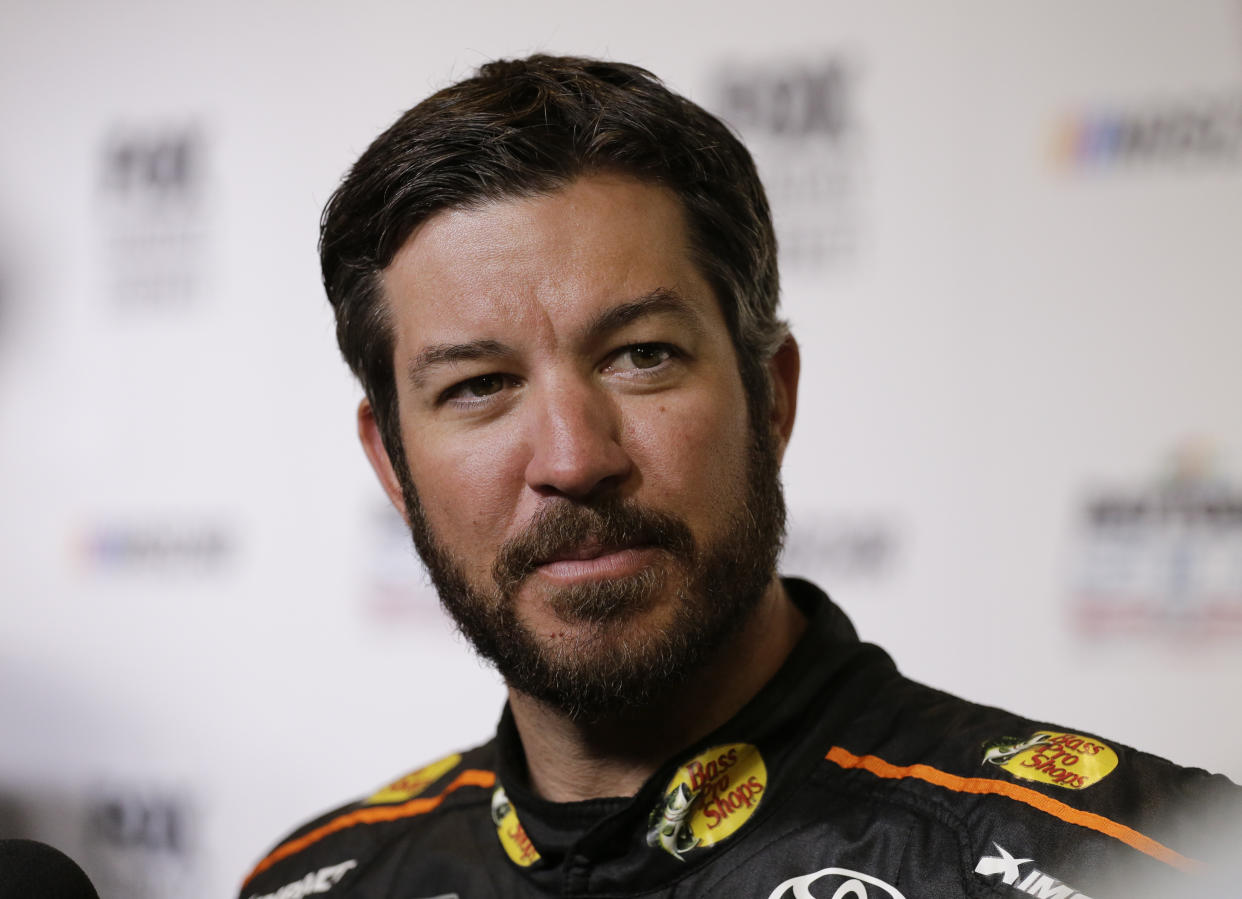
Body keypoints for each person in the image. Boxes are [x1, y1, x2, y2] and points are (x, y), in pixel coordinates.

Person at [238, 55, 1239, 899]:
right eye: (480, 384)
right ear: (394, 463)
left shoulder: (1135, 862)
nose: (575, 458)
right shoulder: (320, 877)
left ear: (772, 395)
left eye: (641, 356)